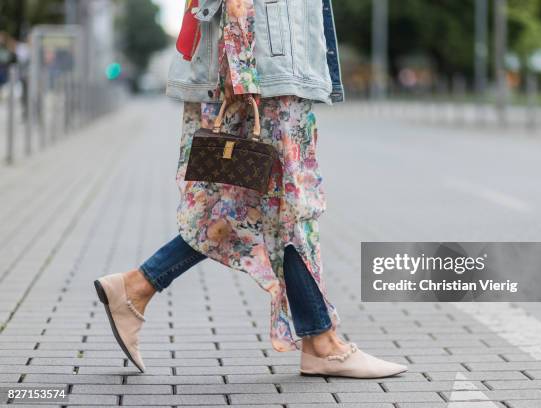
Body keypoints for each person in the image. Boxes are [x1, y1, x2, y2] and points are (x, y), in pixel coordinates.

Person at [94, 0, 407, 378]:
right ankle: (322, 343)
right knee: (288, 206)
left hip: (266, 72)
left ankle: (138, 286)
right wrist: (243, 79)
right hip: (262, 76)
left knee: (251, 209)